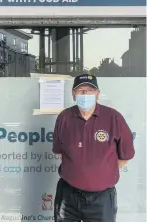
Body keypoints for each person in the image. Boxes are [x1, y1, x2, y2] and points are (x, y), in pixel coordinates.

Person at [52, 74, 135, 222]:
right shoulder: (64, 118)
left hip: (102, 199)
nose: (85, 94)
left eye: (90, 90)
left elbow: (126, 156)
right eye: (81, 91)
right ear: (73, 94)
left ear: (97, 94)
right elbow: (60, 153)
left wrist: (101, 171)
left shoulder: (113, 117)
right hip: (68, 196)